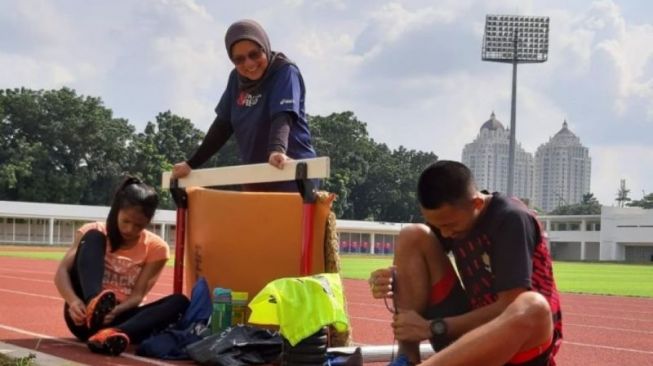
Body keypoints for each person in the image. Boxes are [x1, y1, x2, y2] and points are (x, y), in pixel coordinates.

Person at [369, 161, 562, 366]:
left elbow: (509, 306)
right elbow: (417, 257)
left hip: (518, 345)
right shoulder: (455, 217)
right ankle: (405, 359)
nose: (445, 233)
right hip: (467, 335)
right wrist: (390, 280)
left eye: (450, 225)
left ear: (477, 204)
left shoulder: (511, 219)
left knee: (533, 305)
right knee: (412, 235)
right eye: (437, 225)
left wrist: (434, 327)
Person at [171, 19, 317, 192]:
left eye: (254, 54)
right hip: (255, 175)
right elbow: (222, 126)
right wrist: (191, 164)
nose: (249, 64)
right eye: (239, 60)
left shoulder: (284, 70)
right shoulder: (236, 79)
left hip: (290, 172)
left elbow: (282, 115)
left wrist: (277, 150)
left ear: (265, 47)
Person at [54, 177, 189, 356]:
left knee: (180, 301)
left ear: (148, 222)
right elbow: (61, 273)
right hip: (82, 315)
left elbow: (137, 295)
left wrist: (117, 310)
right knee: (94, 236)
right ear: (117, 210)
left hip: (120, 317)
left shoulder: (157, 248)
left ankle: (112, 335)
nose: (129, 230)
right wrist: (73, 302)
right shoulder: (93, 230)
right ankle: (95, 301)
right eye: (125, 221)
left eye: (138, 225)